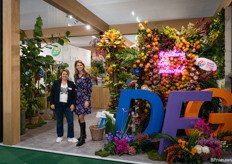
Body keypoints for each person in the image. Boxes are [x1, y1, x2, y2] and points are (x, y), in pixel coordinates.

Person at [50, 69, 78, 143]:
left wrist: (73, 104)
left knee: (70, 121)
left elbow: (74, 95)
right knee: (59, 121)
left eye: (66, 74)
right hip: (58, 105)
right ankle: (60, 136)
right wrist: (52, 103)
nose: (64, 75)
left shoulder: (71, 83)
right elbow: (52, 94)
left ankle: (71, 137)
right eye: (63, 74)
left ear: (68, 75)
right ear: (61, 75)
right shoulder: (56, 83)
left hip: (68, 106)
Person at [74, 60, 92, 146]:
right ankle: (83, 135)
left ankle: (82, 138)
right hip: (78, 98)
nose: (79, 66)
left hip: (84, 99)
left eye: (80, 65)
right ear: (76, 67)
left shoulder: (87, 75)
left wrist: (87, 100)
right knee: (79, 116)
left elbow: (90, 89)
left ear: (83, 66)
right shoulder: (76, 76)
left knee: (81, 117)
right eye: (77, 65)